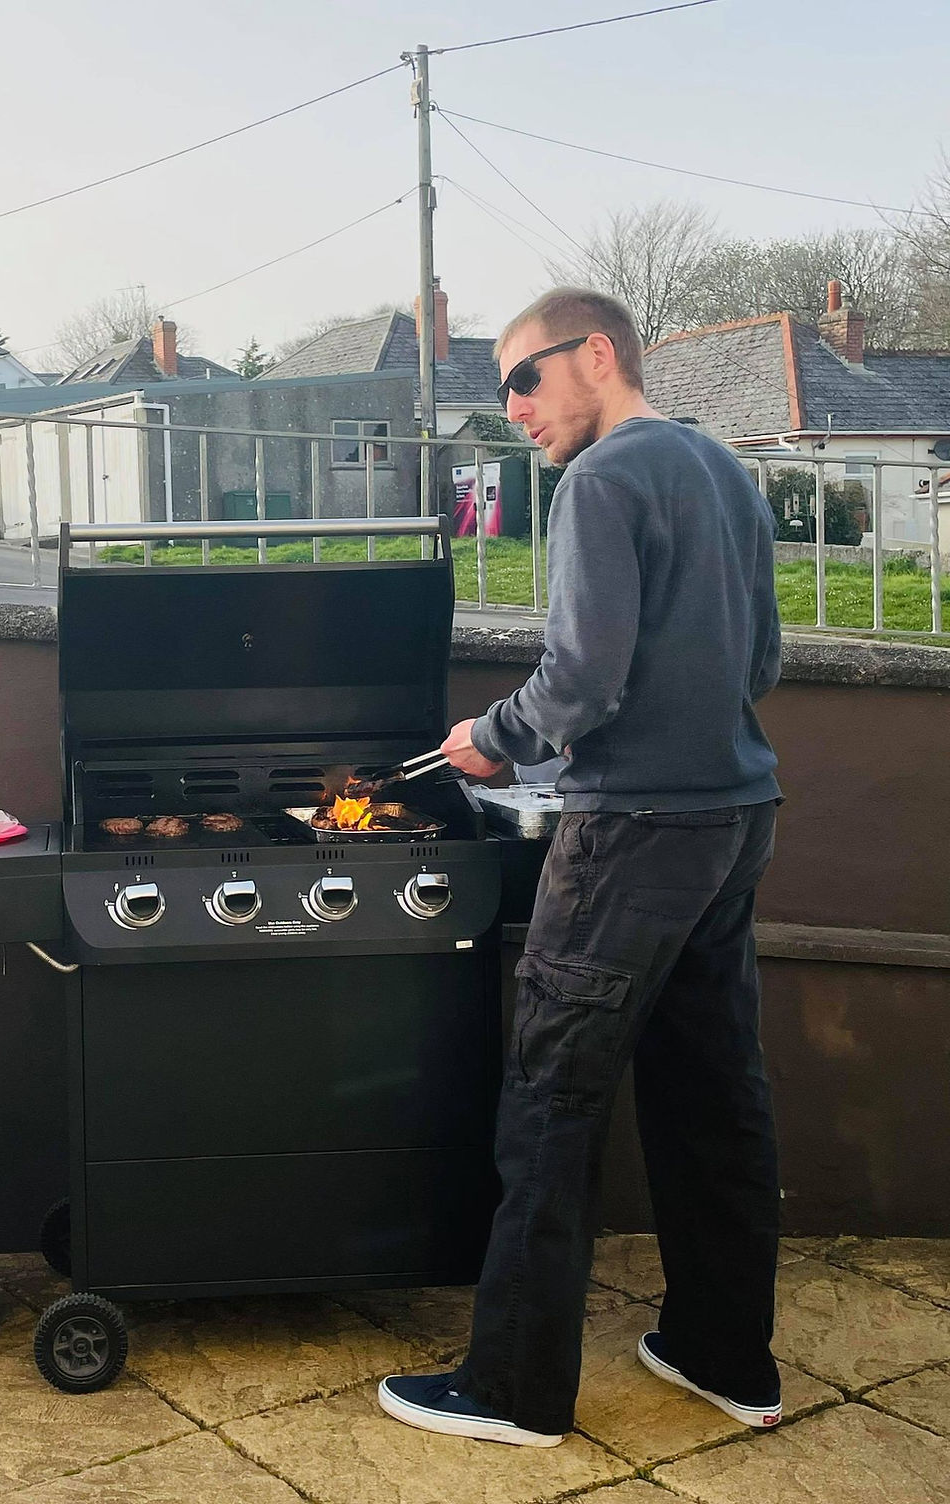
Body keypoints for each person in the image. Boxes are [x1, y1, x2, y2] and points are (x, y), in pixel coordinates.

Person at [379, 288, 785, 1448]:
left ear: (595, 354)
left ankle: (511, 1386)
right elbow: (756, 658)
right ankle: (724, 1353)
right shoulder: (723, 473)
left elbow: (579, 680)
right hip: (732, 817)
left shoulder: (601, 480)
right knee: (716, 1096)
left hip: (631, 836)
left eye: (522, 378)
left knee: (550, 1101)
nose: (510, 409)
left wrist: (487, 739)